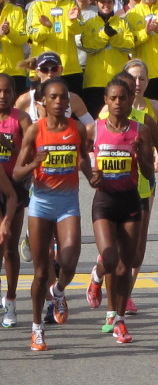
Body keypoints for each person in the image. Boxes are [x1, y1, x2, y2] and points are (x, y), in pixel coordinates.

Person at [13, 78, 91, 352]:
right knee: (40, 270)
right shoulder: (35, 130)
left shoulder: (77, 128)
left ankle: (57, 294)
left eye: (64, 98)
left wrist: (91, 176)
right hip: (41, 203)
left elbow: (82, 157)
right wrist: (35, 162)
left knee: (69, 263)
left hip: (68, 201)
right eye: (54, 97)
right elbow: (17, 171)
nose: (60, 102)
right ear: (43, 102)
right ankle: (36, 329)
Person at [85, 78, 154, 343]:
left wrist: (140, 155)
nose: (117, 103)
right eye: (112, 98)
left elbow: (148, 173)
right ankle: (96, 275)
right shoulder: (95, 129)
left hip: (130, 201)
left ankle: (119, 320)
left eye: (122, 98)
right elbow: (81, 156)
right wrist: (90, 175)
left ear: (129, 101)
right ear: (105, 100)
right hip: (104, 201)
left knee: (126, 266)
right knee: (110, 258)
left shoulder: (140, 130)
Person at [0, 74, 32, 329]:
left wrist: (8, 147)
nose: (2, 95)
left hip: (14, 188)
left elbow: (29, 153)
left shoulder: (20, 119)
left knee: (10, 246)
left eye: (7, 91)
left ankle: (10, 299)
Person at [26, 0, 84, 97]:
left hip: (69, 67)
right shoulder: (35, 6)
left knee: (71, 109)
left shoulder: (71, 3)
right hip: (45, 69)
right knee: (43, 108)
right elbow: (32, 34)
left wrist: (72, 21)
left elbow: (79, 29)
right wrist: (46, 27)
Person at [79, 0, 135, 117]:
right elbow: (88, 47)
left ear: (114, 3)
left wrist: (115, 37)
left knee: (119, 116)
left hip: (118, 80)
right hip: (94, 82)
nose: (106, 4)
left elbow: (130, 46)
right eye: (102, 2)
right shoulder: (89, 24)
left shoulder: (123, 23)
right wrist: (104, 35)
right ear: (97, 3)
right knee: (96, 118)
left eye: (109, 1)